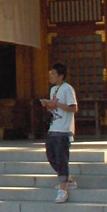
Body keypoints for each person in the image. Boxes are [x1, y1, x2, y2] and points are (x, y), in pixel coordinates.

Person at [41, 62, 78, 204]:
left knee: (61, 157)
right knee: (51, 155)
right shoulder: (53, 90)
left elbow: (73, 108)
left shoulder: (67, 89)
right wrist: (48, 106)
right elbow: (55, 110)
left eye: (53, 74)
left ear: (61, 76)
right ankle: (66, 177)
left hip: (64, 129)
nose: (50, 76)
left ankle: (63, 189)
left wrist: (56, 104)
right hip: (54, 126)